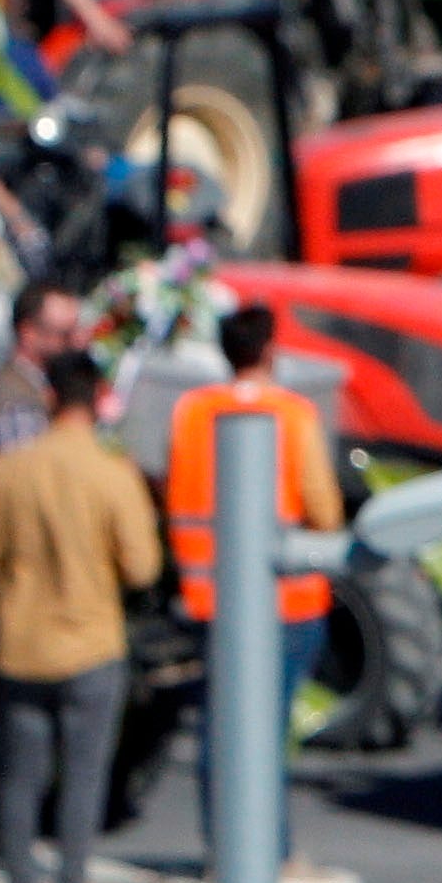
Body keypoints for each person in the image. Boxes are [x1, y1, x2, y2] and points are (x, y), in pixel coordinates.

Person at [0, 349, 158, 883]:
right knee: (82, 782)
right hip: (91, 646)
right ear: (99, 401)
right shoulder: (112, 472)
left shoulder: (8, 470)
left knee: (18, 780)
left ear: (48, 399)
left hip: (22, 645)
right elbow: (143, 565)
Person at [166, 302, 345, 831]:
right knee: (267, 733)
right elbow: (325, 508)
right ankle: (271, 848)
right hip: (284, 603)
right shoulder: (292, 414)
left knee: (220, 726)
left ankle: (218, 846)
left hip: (209, 597)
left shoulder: (192, 411)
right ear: (269, 350)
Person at [0, 280, 83, 506]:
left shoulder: (40, 391)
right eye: (65, 335)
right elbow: (26, 489)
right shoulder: (13, 401)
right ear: (28, 333)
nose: (77, 344)